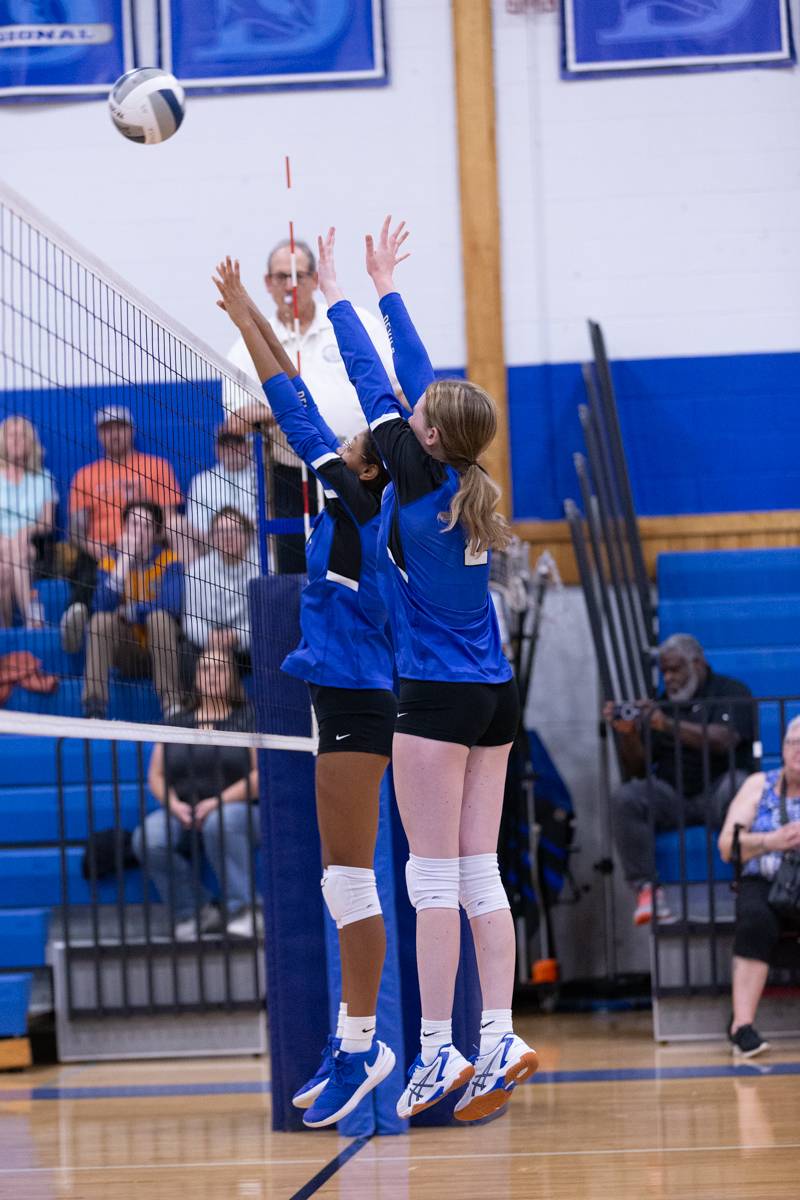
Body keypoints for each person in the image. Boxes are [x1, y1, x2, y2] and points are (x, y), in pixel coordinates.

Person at [316, 220, 539, 1123]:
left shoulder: (410, 475)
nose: (405, 413)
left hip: (439, 703)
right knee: (480, 872)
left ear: (431, 436)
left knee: (432, 880)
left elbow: (381, 378)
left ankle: (439, 1052)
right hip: (498, 698)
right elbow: (425, 378)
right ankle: (500, 1037)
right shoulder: (468, 476)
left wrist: (340, 292)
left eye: (419, 417)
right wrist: (388, 287)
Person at [213, 256, 398, 1129]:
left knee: (348, 883)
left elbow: (291, 399)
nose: (347, 435)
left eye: (359, 438)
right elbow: (298, 395)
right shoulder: (371, 497)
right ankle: (357, 1041)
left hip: (357, 700)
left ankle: (365, 1045)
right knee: (346, 883)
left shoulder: (357, 504)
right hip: (349, 694)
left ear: (367, 467)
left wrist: (259, 311)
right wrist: (252, 312)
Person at [224, 238, 400, 574]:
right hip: (292, 473)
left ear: (315, 279)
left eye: (299, 275)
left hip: (365, 469)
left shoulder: (352, 322)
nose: (290, 285)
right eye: (281, 277)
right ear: (267, 282)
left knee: (364, 562)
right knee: (298, 565)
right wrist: (249, 322)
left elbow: (396, 390)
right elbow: (235, 421)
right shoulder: (245, 348)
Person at [604, 633, 754, 926]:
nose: (668, 678)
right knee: (628, 796)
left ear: (697, 664)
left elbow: (724, 740)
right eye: (664, 671)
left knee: (740, 786)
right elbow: (638, 767)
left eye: (675, 669)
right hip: (675, 795)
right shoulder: (662, 704)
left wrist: (667, 724)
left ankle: (746, 882)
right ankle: (646, 890)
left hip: (720, 792)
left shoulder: (730, 691)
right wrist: (629, 734)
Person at [133, 643, 261, 941]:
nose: (212, 675)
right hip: (184, 810)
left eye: (220, 669)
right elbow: (156, 774)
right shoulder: (177, 721)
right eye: (205, 668)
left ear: (233, 676)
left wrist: (217, 802)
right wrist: (174, 804)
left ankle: (245, 909)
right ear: (195, 677)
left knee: (221, 820)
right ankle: (196, 911)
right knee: (148, 839)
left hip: (240, 813)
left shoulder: (247, 718)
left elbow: (260, 775)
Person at [61, 405, 182, 653]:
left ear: (131, 430)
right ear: (99, 434)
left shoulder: (157, 466)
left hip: (149, 549)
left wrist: (143, 542)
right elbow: (75, 530)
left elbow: (169, 519)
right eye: (107, 429)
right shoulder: (85, 475)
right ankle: (78, 618)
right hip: (102, 552)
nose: (114, 434)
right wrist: (95, 548)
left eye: (119, 427)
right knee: (87, 570)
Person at [718, 716, 800, 1058]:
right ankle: (742, 1026)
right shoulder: (758, 785)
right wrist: (771, 840)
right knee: (754, 920)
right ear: (782, 750)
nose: (799, 751)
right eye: (794, 743)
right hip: (764, 880)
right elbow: (727, 846)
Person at [82, 500, 183, 720]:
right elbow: (100, 606)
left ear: (157, 533)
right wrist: (124, 562)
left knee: (159, 618)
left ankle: (172, 706)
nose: (139, 532)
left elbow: (172, 606)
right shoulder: (111, 562)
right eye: (134, 524)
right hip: (127, 652)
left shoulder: (170, 560)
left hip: (162, 650)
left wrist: (130, 612)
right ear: (125, 528)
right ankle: (94, 708)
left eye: (147, 526)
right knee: (100, 621)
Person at [181, 506, 259, 678]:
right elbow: (190, 620)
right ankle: (190, 703)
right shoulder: (196, 570)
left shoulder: (264, 567)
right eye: (220, 531)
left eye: (234, 530)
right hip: (209, 645)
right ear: (212, 537)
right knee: (186, 649)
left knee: (269, 643)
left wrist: (237, 636)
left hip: (248, 647)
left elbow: (267, 620)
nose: (227, 536)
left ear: (248, 535)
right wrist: (209, 637)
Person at [0, 416, 57, 627]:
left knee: (10, 556)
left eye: (22, 436)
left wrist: (27, 530)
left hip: (31, 547)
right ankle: (32, 618)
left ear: (30, 442)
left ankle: (7, 634)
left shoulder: (43, 478)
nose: (16, 440)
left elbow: (48, 522)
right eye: (11, 435)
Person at [185, 425, 257, 546]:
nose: (232, 450)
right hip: (216, 549)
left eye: (237, 443)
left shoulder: (262, 476)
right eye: (225, 445)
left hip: (257, 547)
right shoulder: (201, 481)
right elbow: (196, 525)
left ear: (247, 446)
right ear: (217, 450)